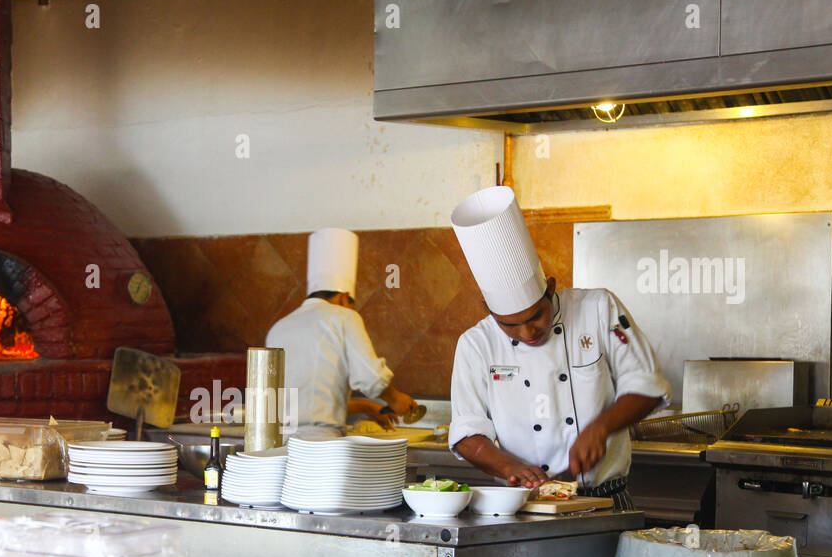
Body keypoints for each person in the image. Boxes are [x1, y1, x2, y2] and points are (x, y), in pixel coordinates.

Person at [447, 187, 669, 509]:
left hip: (606, 500)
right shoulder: (475, 344)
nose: (527, 332)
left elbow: (646, 383)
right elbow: (467, 432)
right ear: (488, 309)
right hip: (526, 505)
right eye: (509, 324)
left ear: (550, 288)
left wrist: (601, 427)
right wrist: (512, 469)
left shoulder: (597, 308)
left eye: (536, 315)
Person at [266, 228, 415, 439]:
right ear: (345, 298)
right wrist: (395, 399)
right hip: (322, 444)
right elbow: (370, 378)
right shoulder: (345, 317)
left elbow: (310, 399)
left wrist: (366, 406)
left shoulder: (278, 328)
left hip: (278, 444)